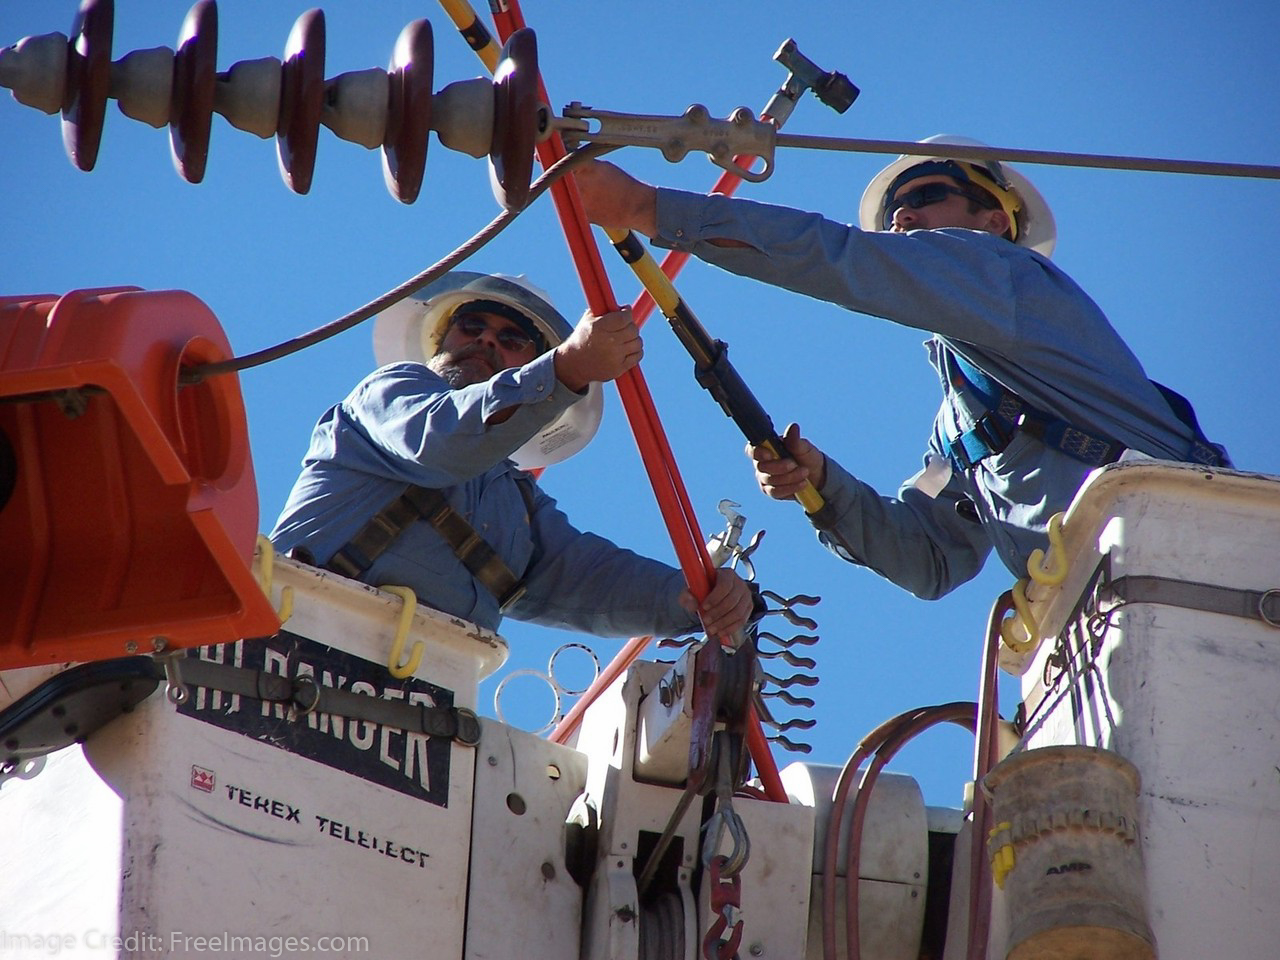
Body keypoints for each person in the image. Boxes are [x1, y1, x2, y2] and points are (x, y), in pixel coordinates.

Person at [573, 136, 1229, 600]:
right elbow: (932, 560)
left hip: (1195, 563)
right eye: (894, 210)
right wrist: (825, 485)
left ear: (994, 221)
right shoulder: (961, 417)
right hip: (1105, 613)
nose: (903, 214)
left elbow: (841, 259)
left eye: (930, 194)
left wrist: (645, 208)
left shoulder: (1009, 278)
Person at [271, 270, 755, 639]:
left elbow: (586, 578)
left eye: (511, 339)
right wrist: (567, 369)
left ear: (531, 363)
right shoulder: (392, 395)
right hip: (291, 638)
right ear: (440, 342)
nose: (485, 340)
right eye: (471, 326)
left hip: (423, 694)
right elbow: (442, 443)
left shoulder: (516, 507)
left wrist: (697, 597)